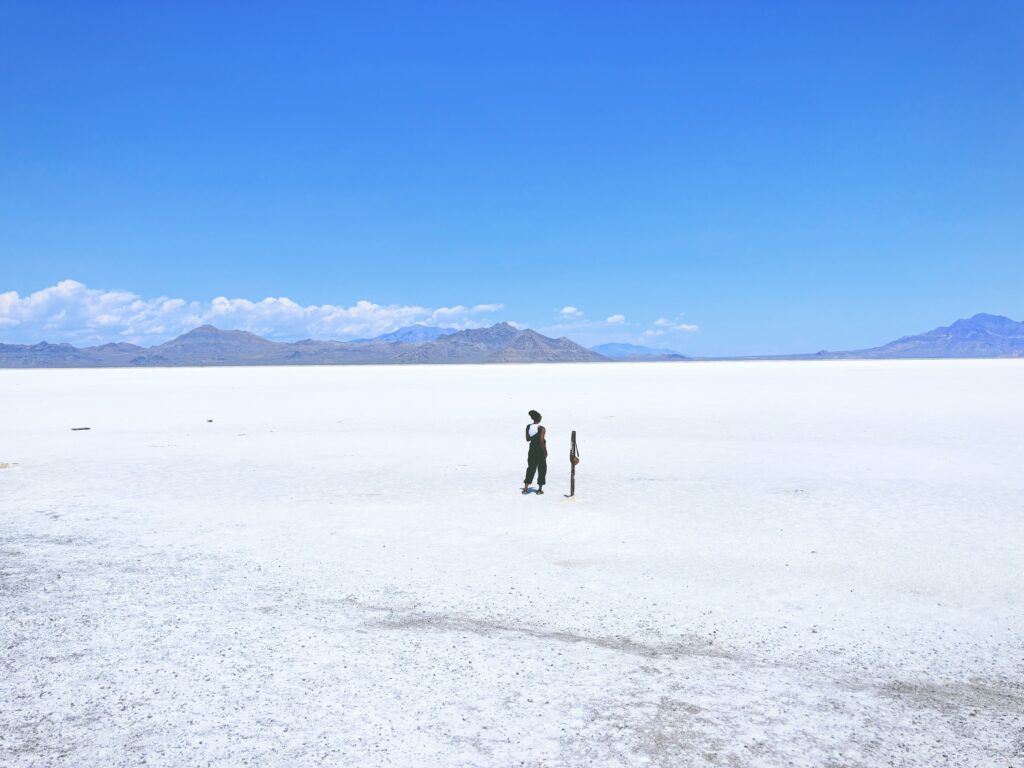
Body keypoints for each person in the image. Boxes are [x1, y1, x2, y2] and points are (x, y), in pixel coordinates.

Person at [522, 409, 547, 495]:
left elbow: (527, 439)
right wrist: (545, 451)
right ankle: (539, 490)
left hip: (532, 449)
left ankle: (525, 489)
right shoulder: (542, 428)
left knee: (530, 468)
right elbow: (541, 441)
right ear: (539, 418)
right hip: (540, 450)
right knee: (542, 469)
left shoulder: (528, 427)